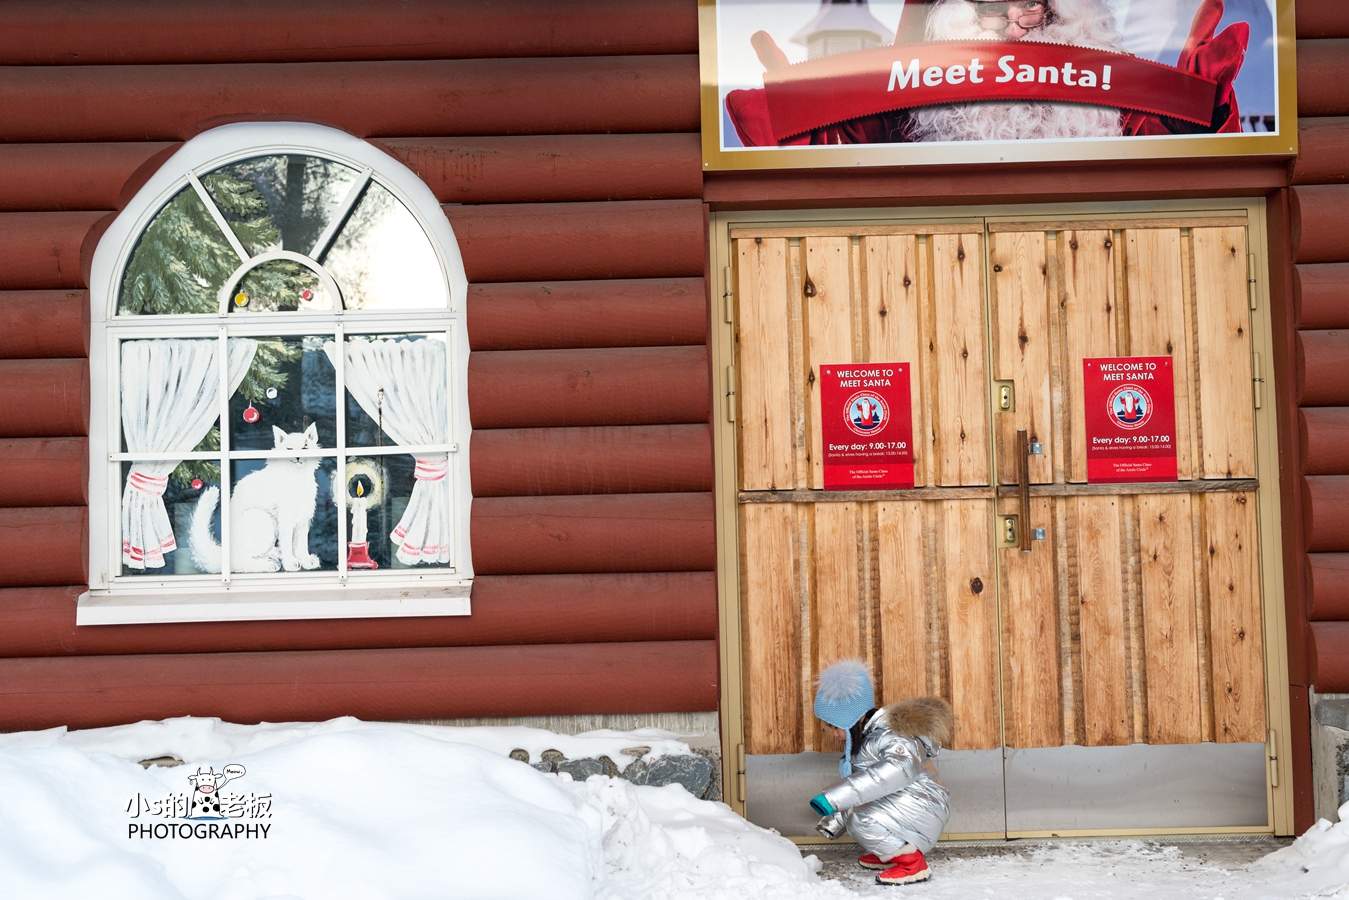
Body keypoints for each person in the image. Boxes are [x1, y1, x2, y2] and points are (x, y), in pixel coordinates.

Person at [808, 659, 954, 886]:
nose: (834, 735)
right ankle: (892, 853)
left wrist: (832, 799)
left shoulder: (892, 736)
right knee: (860, 813)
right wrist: (832, 823)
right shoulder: (869, 739)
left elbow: (888, 775)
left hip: (926, 804)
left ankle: (913, 864)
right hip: (910, 801)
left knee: (861, 820)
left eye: (835, 727)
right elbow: (862, 790)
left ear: (855, 719)